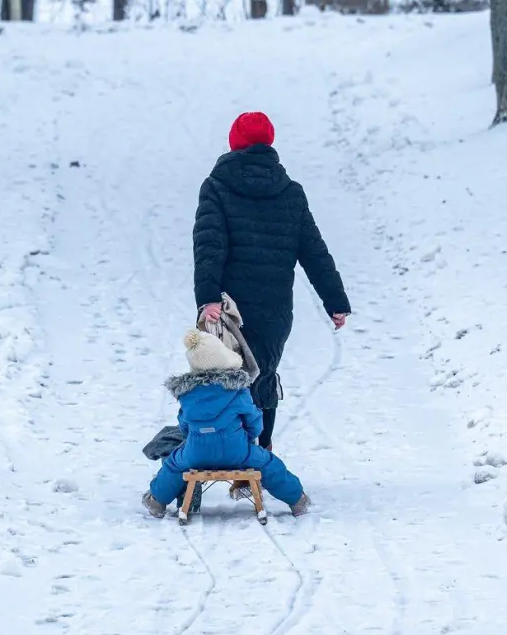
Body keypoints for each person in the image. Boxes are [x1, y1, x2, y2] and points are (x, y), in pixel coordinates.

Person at [193, 111, 351, 450]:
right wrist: (335, 301)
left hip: (227, 308)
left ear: (234, 143)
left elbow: (209, 245)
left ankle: (230, 454)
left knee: (224, 379)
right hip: (275, 310)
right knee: (262, 375)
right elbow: (314, 251)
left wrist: (207, 298)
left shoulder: (217, 187)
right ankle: (258, 455)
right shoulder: (290, 192)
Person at [143, 331, 309, 518]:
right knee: (269, 463)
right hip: (237, 451)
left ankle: (156, 501)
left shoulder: (187, 395)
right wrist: (248, 437)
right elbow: (254, 420)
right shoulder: (236, 390)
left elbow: (184, 425)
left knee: (173, 465)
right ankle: (297, 500)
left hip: (196, 453)